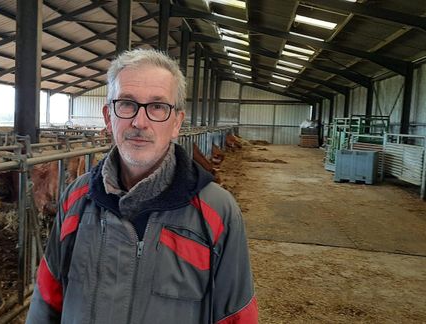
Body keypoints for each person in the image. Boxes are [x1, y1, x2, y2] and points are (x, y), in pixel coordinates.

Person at [26, 48, 257, 323]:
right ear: (108, 117)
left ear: (176, 123)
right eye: (126, 103)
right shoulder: (76, 198)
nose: (139, 121)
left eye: (158, 106)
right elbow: (47, 301)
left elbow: (236, 316)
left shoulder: (217, 211)